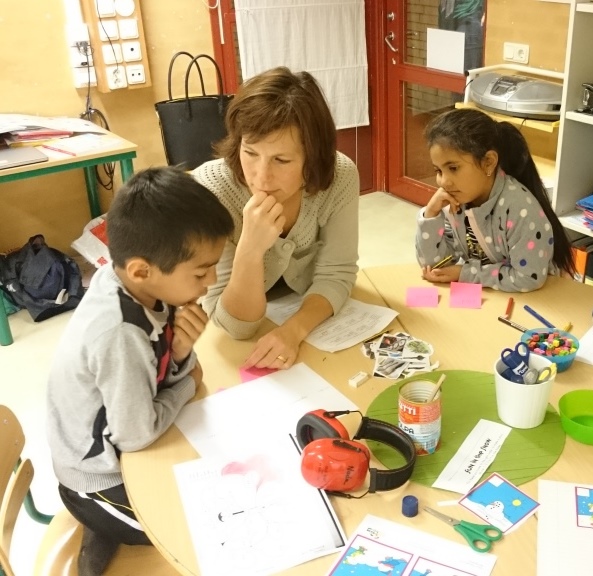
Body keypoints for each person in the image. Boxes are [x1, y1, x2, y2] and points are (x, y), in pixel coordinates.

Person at [46, 167, 233, 575]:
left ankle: (108, 527)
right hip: (95, 481)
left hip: (120, 438)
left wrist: (181, 353)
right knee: (211, 523)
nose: (211, 281)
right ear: (142, 270)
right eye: (201, 272)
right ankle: (104, 526)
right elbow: (137, 435)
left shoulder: (141, 288)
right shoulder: (119, 333)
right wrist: (186, 385)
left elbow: (155, 372)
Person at [192, 66, 360, 370]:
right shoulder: (213, 188)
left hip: (303, 317)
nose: (261, 176)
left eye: (281, 160)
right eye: (250, 152)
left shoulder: (341, 176)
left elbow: (337, 274)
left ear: (314, 157)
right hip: (237, 340)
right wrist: (250, 249)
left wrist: (293, 330)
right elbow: (234, 326)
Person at [416, 108, 574, 292]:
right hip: (493, 293)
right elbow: (435, 266)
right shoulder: (454, 200)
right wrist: (430, 215)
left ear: (489, 162)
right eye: (438, 171)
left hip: (540, 298)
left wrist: (465, 274)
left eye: (453, 168)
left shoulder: (520, 208)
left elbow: (529, 278)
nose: (443, 181)